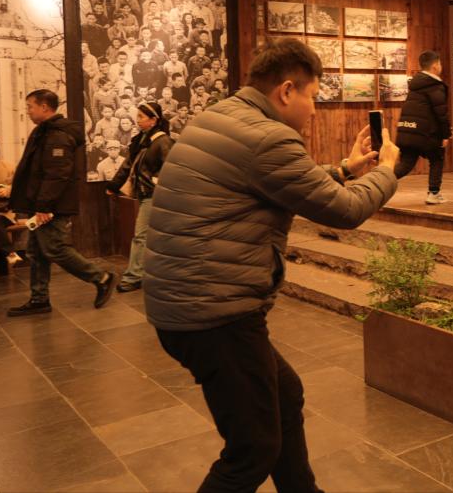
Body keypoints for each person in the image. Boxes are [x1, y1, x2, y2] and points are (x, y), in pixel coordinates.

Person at [145, 38, 400, 493]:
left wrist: (345, 169)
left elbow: (281, 180)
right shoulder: (269, 137)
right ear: (286, 91)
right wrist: (387, 171)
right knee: (252, 450)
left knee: (285, 395)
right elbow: (344, 211)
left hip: (186, 301)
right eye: (313, 97)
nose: (314, 110)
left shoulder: (223, 117)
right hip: (213, 312)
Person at [7, 90, 116, 316]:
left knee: (55, 248)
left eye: (30, 106)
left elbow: (57, 174)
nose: (28, 111)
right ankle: (39, 299)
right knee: (36, 251)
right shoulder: (44, 131)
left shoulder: (58, 135)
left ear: (44, 107)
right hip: (42, 203)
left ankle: (102, 278)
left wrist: (44, 206)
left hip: (52, 206)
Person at [106, 102, 173, 293]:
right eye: (137, 116)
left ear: (154, 120)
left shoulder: (163, 141)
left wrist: (157, 180)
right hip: (144, 194)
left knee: (141, 236)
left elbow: (172, 169)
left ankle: (134, 276)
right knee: (151, 237)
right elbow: (127, 165)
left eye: (142, 117)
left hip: (155, 195)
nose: (138, 120)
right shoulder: (141, 140)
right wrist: (113, 185)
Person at [394, 50, 451, 204]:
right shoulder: (434, 86)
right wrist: (445, 134)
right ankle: (434, 193)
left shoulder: (416, 84)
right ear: (435, 65)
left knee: (405, 165)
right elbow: (441, 113)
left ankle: (375, 182)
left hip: (407, 131)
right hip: (425, 134)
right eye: (440, 63)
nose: (441, 66)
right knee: (437, 157)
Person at [0, 136, 22, 272]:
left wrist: (7, 190)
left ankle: (9, 255)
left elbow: (21, 187)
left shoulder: (8, 167)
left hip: (5, 212)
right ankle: (9, 253)